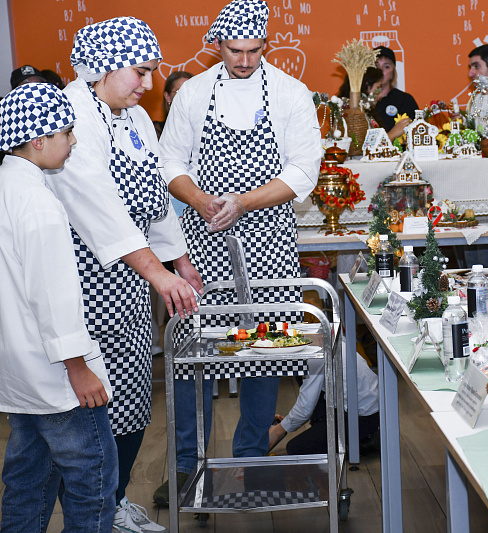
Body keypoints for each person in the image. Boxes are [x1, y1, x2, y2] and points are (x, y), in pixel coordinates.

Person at [156, 0, 322, 507]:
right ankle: (185, 465)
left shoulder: (290, 94)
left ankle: (252, 458)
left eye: (254, 50)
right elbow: (170, 162)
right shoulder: (194, 94)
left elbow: (303, 170)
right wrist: (201, 200)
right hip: (203, 241)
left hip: (269, 239)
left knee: (262, 351)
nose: (245, 60)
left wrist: (244, 202)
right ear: (217, 45)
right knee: (194, 353)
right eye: (235, 51)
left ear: (266, 45)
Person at [46, 16, 203, 533]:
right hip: (86, 283)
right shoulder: (71, 115)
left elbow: (155, 200)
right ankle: (94, 512)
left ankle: (112, 503)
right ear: (103, 67)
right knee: (89, 410)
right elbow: (99, 211)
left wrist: (179, 261)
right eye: (140, 71)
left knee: (132, 402)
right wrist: (159, 274)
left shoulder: (133, 117)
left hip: (132, 282)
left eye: (152, 71)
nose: (149, 83)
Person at [0, 83, 117, 533]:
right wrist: (78, 367)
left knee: (27, 481)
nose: (73, 140)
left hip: (18, 369)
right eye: (66, 132)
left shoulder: (8, 186)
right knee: (92, 481)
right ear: (38, 140)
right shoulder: (36, 202)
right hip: (56, 374)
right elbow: (51, 296)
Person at [269, 353, 379, 456]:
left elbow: (305, 408)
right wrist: (288, 422)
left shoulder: (315, 358)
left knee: (296, 448)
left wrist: (277, 431)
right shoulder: (324, 343)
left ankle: (365, 441)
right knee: (302, 373)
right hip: (355, 405)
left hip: (361, 417)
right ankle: (323, 429)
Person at [372, 46, 418, 140]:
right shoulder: (359, 102)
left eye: (386, 67)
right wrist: (393, 133)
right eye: (376, 65)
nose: (380, 70)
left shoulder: (405, 100)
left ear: (392, 73)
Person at [153, 70, 193, 138]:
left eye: (190, 91)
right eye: (179, 91)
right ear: (168, 97)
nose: (186, 96)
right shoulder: (156, 131)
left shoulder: (206, 129)